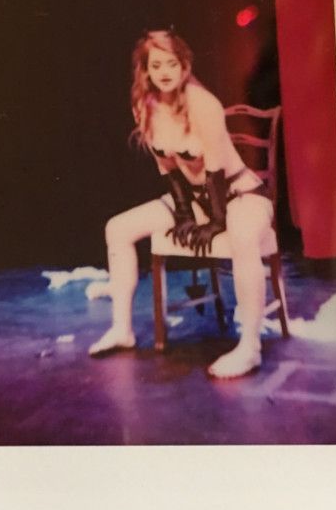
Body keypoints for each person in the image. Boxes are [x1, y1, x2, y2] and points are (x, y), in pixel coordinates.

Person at [88, 29, 273, 378]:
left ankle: (250, 347)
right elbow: (169, 171)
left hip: (238, 195)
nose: (164, 71)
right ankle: (122, 330)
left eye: (172, 63)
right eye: (156, 64)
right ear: (145, 69)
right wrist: (186, 214)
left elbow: (215, 171)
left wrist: (214, 222)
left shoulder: (204, 104)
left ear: (185, 65)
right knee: (117, 228)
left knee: (243, 236)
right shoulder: (144, 105)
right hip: (193, 200)